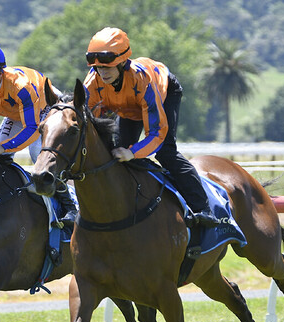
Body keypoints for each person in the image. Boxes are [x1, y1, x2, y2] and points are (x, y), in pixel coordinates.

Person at [83, 27, 220, 228]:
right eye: (98, 68)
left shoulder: (142, 81)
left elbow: (156, 134)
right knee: (114, 153)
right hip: (128, 107)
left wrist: (133, 153)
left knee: (165, 152)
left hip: (163, 94)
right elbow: (89, 126)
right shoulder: (92, 84)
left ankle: (203, 209)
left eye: (108, 67)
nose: (102, 73)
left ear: (122, 63)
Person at [0, 41, 77, 228]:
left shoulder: (20, 86)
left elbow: (32, 128)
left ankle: (72, 205)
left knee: (38, 157)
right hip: (18, 113)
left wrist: (0, 146)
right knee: (0, 158)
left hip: (45, 107)